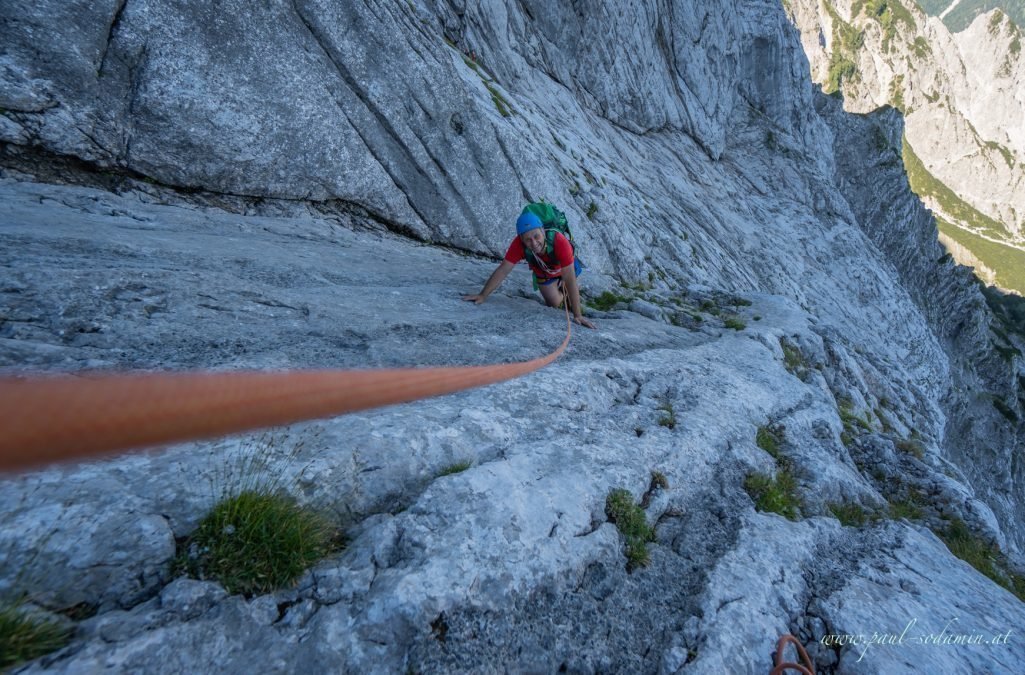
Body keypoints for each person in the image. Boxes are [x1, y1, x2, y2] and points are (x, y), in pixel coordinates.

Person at [463, 211, 597, 329]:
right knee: (554, 303)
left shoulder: (559, 241)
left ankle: (567, 292)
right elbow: (503, 269)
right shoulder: (518, 245)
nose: (533, 243)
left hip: (564, 268)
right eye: (528, 240)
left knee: (569, 283)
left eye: (536, 236)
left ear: (543, 231)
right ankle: (562, 291)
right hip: (543, 271)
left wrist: (577, 315)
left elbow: (569, 276)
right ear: (521, 239)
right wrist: (483, 295)